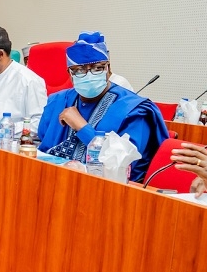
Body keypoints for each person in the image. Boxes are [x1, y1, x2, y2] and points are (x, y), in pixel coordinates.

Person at [37, 31, 169, 181]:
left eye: (97, 68)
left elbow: (124, 167)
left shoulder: (134, 111)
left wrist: (83, 128)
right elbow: (41, 146)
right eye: (79, 70)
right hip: (54, 180)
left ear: (108, 69)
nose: (89, 75)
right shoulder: (57, 101)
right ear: (70, 74)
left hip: (108, 191)